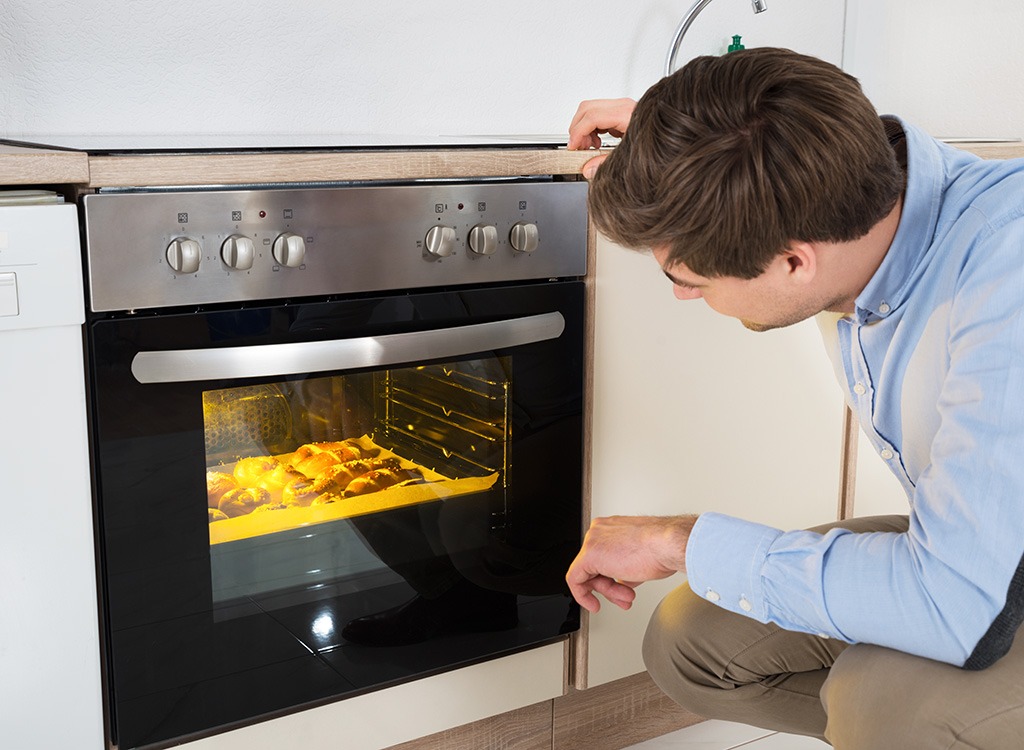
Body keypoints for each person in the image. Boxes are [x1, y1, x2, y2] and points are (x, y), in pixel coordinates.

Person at [564, 47, 1024, 748]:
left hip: (972, 585)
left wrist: (680, 540)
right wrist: (682, 154)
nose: (685, 295)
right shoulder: (861, 200)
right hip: (986, 545)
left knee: (884, 707)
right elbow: (769, 124)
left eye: (684, 276)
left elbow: (957, 605)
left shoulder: (1004, 277)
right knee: (694, 644)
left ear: (792, 261)